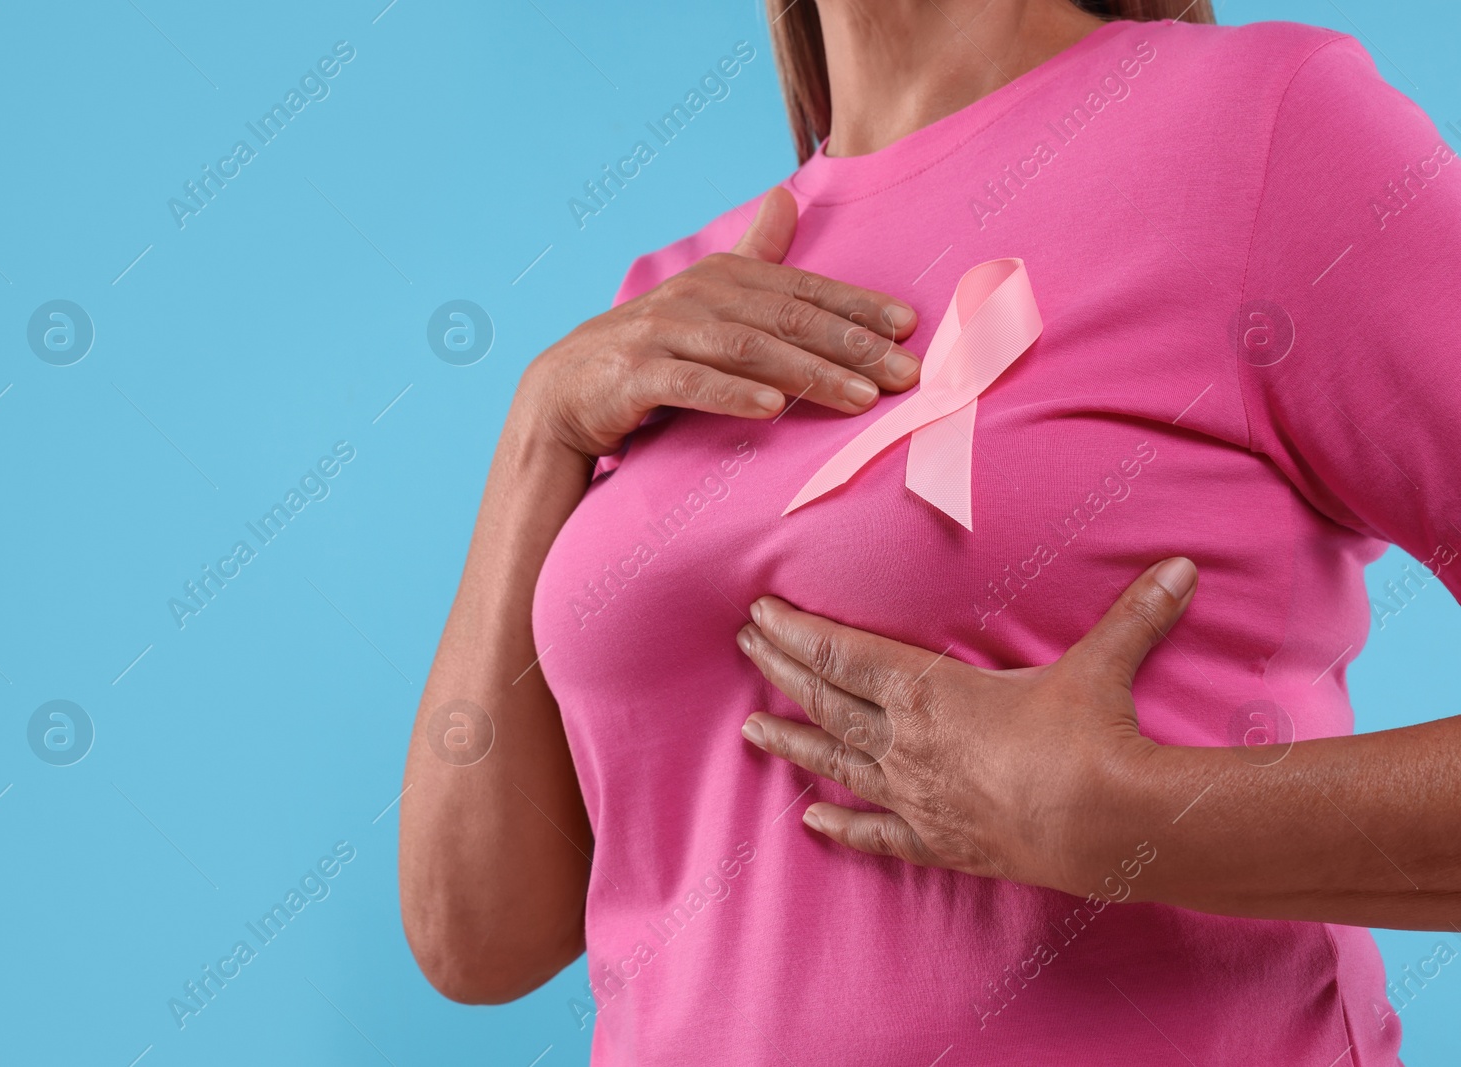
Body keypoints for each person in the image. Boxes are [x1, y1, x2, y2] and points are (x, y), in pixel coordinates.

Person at [401, 1, 1461, 1062]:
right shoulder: (685, 298)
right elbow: (475, 934)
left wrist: (1127, 822)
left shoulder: (1266, 128)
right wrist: (539, 427)